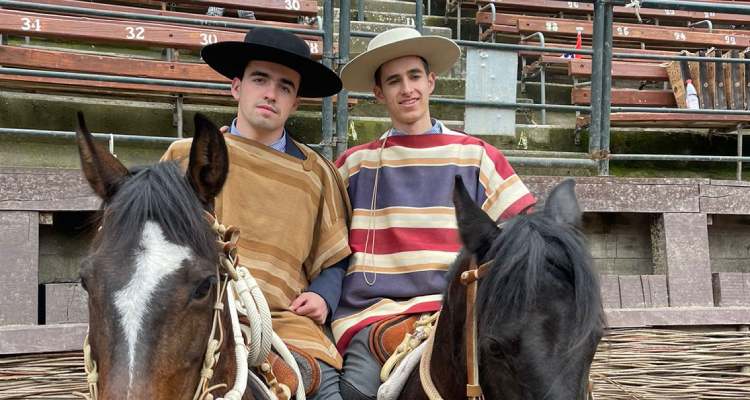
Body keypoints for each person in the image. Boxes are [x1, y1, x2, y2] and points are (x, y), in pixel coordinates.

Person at [332, 27, 537, 399]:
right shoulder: (355, 164)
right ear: (378, 92)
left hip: (459, 312)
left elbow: (523, 239)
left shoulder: (476, 156)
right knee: (355, 391)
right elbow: (324, 238)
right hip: (375, 314)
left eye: (414, 76)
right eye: (393, 81)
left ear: (431, 81)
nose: (406, 89)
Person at [161, 27, 349, 399]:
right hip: (199, 317)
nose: (270, 93)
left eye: (285, 86)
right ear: (237, 87)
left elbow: (335, 257)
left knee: (327, 390)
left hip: (286, 323)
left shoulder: (317, 174)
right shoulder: (186, 157)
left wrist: (325, 296)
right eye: (260, 79)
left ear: (295, 103)